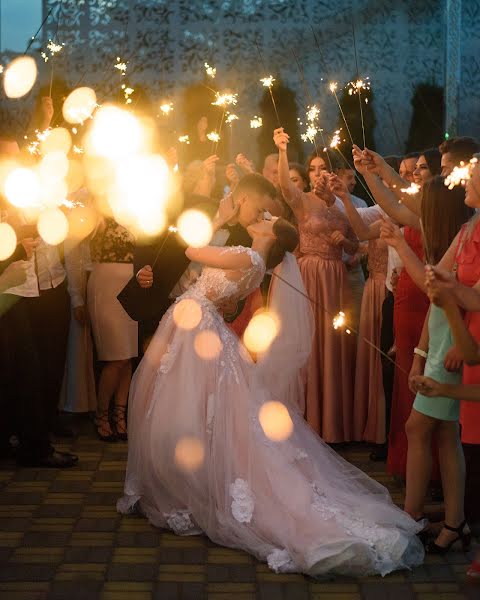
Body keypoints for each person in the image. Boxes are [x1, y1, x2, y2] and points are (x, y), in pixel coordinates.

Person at [118, 213, 424, 577]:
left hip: (196, 327)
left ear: (269, 234)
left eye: (266, 218)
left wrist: (220, 215)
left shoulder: (248, 258)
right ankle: (191, 481)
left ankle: (197, 487)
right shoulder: (253, 262)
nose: (261, 217)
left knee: (199, 410)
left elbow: (191, 248)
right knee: (209, 411)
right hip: (198, 326)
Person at [380, 179, 473, 553]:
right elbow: (435, 295)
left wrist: (400, 244)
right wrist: (420, 353)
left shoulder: (469, 233)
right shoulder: (466, 231)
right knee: (446, 435)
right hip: (439, 338)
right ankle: (455, 521)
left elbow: (439, 289)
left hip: (453, 341)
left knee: (416, 427)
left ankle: (413, 517)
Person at [275, 129, 358, 442]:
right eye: (312, 168)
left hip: (336, 279)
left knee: (332, 347)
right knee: (308, 344)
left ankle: (333, 427)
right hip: (308, 276)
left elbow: (357, 248)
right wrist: (283, 150)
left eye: (323, 167)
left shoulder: (346, 204)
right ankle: (305, 423)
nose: (317, 173)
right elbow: (284, 185)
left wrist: (346, 241)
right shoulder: (302, 202)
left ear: (334, 172)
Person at [88, 217, 138, 441]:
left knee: (128, 356)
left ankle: (119, 416)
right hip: (106, 287)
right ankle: (101, 414)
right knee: (115, 357)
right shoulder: (98, 212)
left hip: (133, 286)